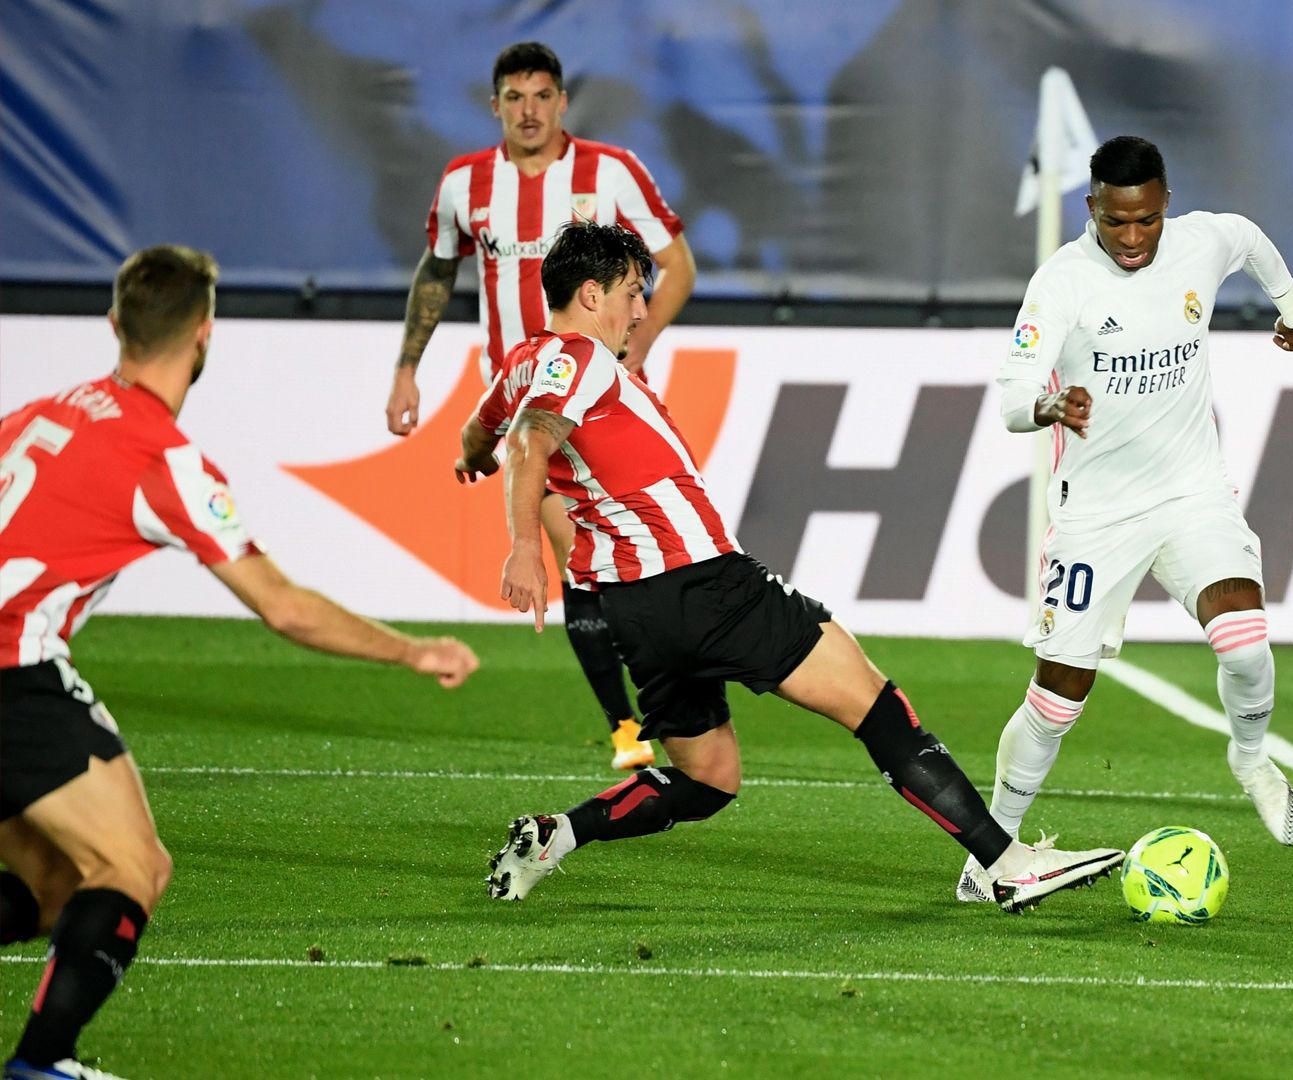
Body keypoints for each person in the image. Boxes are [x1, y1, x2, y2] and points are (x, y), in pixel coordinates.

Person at [454, 220, 1122, 912]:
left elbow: (485, 431)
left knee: (709, 779)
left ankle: (554, 836)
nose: (642, 308)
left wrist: (472, 459)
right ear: (590, 294)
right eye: (632, 290)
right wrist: (526, 545)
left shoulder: (523, 364)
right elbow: (531, 440)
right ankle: (1005, 863)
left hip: (636, 611)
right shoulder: (581, 359)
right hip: (700, 583)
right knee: (879, 708)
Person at [0, 246, 480, 1080]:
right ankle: (41, 1066)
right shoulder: (162, 457)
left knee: (49, 886)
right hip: (13, 670)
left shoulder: (37, 414)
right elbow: (284, 606)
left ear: (115, 325)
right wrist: (413, 650)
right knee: (132, 867)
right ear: (205, 334)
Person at [959, 135, 1293, 901]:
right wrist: (1051, 403)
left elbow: (1250, 239)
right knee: (1057, 700)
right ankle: (991, 850)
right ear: (1092, 208)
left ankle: (1251, 759)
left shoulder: (1200, 243)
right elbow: (1011, 390)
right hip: (1097, 513)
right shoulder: (1062, 281)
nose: (1131, 238)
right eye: (1116, 222)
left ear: (1165, 207)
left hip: (1192, 491)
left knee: (1246, 642)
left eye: (1146, 221)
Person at [383, 41, 699, 772]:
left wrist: (639, 349)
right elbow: (437, 270)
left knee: (647, 556)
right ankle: (626, 727)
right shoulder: (467, 183)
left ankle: (671, 700)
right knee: (580, 567)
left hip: (611, 401)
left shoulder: (610, 173)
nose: (529, 111)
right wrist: (407, 368)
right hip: (532, 409)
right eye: (514, 97)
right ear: (495, 106)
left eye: (542, 95)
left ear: (562, 102)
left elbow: (676, 262)